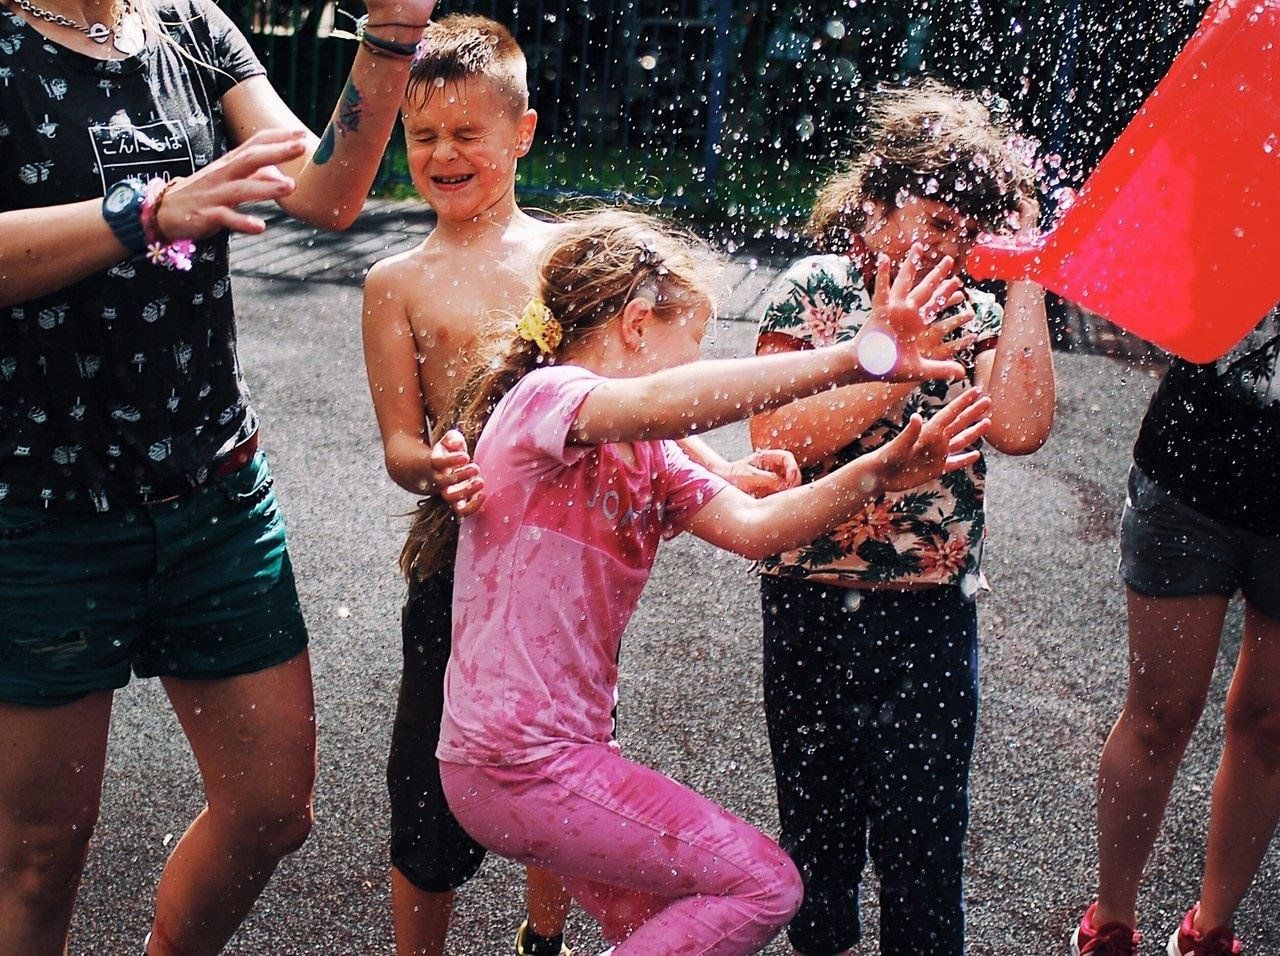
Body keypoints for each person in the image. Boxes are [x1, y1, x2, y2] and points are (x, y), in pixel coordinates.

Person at [414, 209, 993, 954]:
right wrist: (861, 355)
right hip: (516, 757)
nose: (689, 376)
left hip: (552, 762)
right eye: (685, 353)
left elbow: (760, 529)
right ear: (634, 325)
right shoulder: (545, 399)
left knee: (658, 928)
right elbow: (666, 404)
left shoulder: (650, 456)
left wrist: (875, 473)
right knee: (764, 884)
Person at [360, 17, 799, 956]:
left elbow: (636, 402)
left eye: (466, 133)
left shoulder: (567, 258)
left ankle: (544, 934)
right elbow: (399, 442)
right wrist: (430, 463)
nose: (443, 153)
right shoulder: (396, 280)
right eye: (423, 133)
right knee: (428, 796)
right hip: (456, 553)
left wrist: (721, 467)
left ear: (520, 135)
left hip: (553, 562)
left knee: (560, 767)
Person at [0, 0, 434, 950]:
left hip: (214, 494)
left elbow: (323, 195)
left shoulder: (192, 25)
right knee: (40, 854)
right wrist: (146, 211)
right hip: (41, 511)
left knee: (272, 810)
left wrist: (392, 35)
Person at [749, 79, 1056, 956]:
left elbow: (1025, 425)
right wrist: (888, 355)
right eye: (933, 218)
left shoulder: (978, 308)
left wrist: (1028, 266)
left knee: (926, 849)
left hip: (928, 609)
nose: (947, 243)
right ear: (875, 208)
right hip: (809, 599)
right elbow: (776, 433)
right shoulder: (815, 290)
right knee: (818, 839)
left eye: (967, 230)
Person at [1069, 308, 1280, 956]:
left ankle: (1210, 928)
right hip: (1189, 482)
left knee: (1270, 724)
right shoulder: (1243, 207)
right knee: (1162, 712)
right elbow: (1163, 304)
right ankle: (1112, 921)